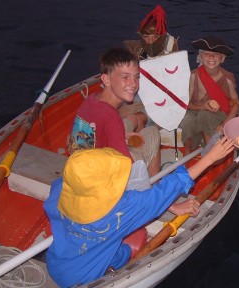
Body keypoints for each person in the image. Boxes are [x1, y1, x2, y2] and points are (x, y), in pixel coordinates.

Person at [44, 136, 234, 287]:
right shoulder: (123, 210)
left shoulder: (60, 188)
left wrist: (172, 206)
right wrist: (210, 158)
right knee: (134, 242)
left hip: (56, 264)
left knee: (117, 245)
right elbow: (170, 187)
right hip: (87, 280)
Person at [68, 47, 200, 216]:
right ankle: (157, 194)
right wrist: (173, 207)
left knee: (144, 128)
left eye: (136, 77)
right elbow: (132, 175)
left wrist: (119, 137)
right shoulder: (110, 118)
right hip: (101, 188)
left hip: (82, 174)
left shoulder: (91, 101)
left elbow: (86, 139)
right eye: (125, 77)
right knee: (150, 139)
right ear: (106, 79)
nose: (133, 84)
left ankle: (154, 181)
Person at [120, 4, 179, 132]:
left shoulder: (172, 56)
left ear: (162, 37)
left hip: (161, 100)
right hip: (137, 94)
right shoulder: (136, 53)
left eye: (155, 36)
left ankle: (142, 128)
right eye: (147, 37)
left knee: (142, 116)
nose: (151, 40)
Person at [180, 36, 239, 155]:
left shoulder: (227, 79)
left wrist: (224, 125)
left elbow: (236, 104)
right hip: (197, 111)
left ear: (222, 58)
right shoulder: (194, 76)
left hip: (219, 116)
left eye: (216, 54)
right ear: (201, 57)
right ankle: (186, 153)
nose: (211, 57)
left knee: (205, 115)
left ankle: (210, 151)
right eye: (207, 54)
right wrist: (202, 106)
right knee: (187, 119)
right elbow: (186, 104)